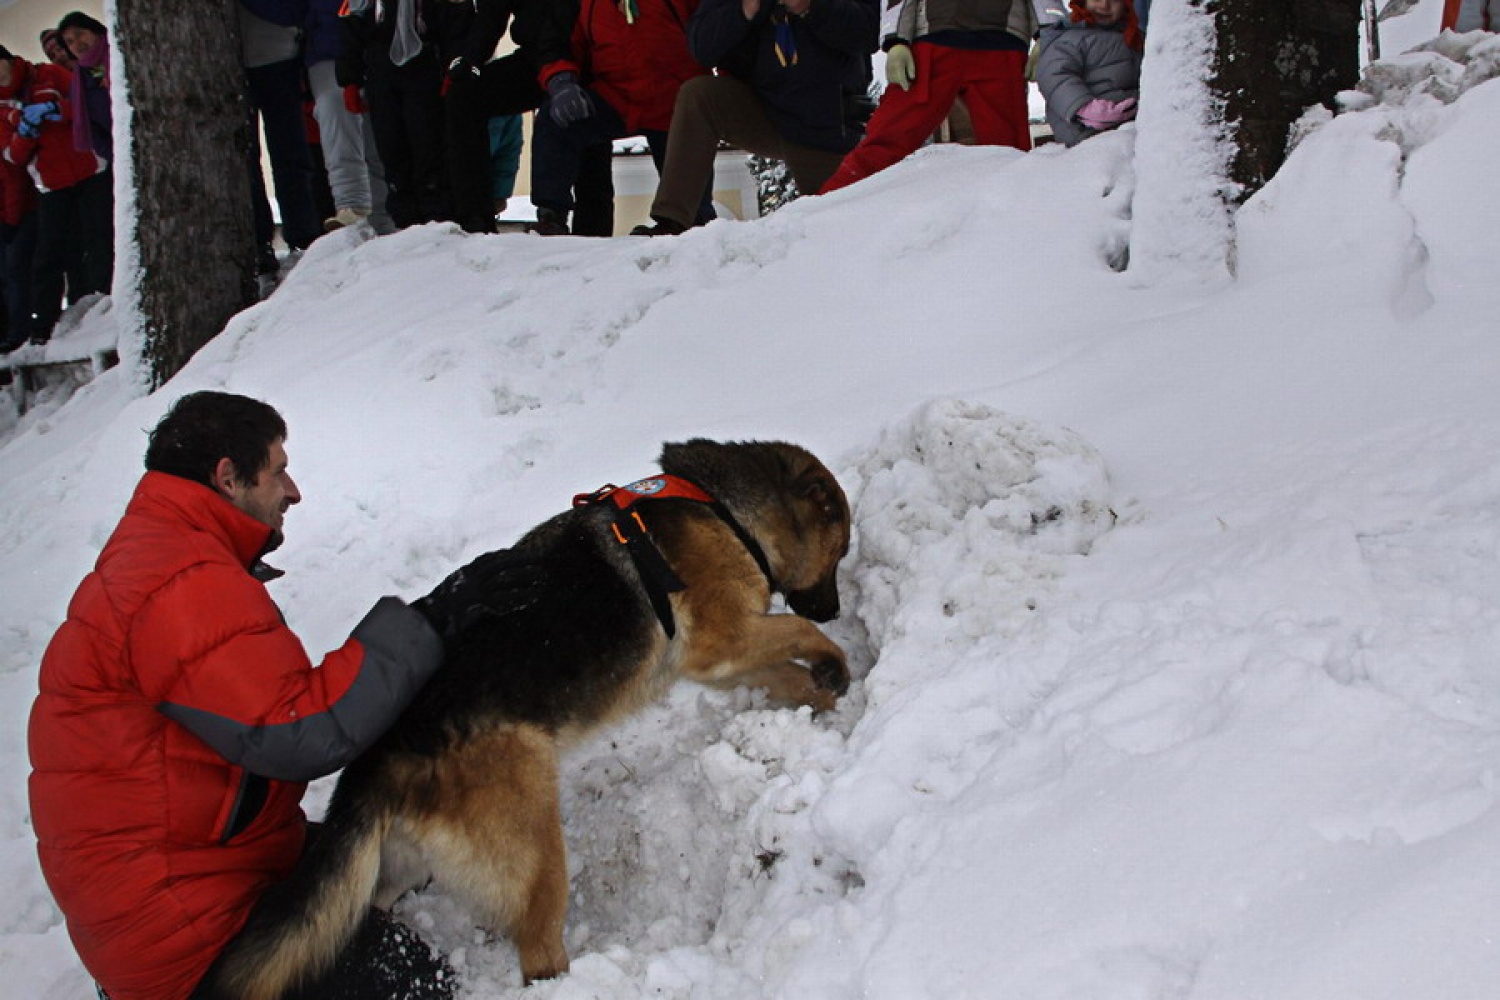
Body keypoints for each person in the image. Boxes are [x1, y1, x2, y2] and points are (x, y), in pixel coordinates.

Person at [27, 391, 523, 1000]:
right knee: (410, 981)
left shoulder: (164, 555)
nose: (293, 491)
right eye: (278, 470)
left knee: (394, 849)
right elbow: (298, 730)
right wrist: (431, 622)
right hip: (188, 936)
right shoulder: (177, 582)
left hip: (199, 876)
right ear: (228, 478)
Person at [629, 0, 880, 236]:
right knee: (700, 95)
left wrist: (812, 7)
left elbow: (867, 32)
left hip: (824, 121)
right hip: (763, 108)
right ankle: (672, 220)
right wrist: (744, 10)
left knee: (835, 229)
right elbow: (701, 46)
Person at [816, 0, 1037, 193]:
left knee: (1009, 151)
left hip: (1001, 43)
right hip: (935, 40)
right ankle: (824, 211)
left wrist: (1048, 32)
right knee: (888, 136)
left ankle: (1012, 221)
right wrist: (896, 40)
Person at [529, 0, 709, 236]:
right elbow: (559, 41)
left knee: (692, 196)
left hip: (675, 100)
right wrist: (560, 80)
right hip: (616, 96)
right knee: (556, 119)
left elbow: (715, 30)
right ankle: (551, 216)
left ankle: (681, 224)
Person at [441, 0, 617, 235]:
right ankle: (475, 220)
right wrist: (470, 60)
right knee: (464, 96)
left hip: (584, 56)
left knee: (586, 127)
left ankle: (589, 230)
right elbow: (492, 15)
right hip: (535, 57)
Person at [0, 44, 110, 345]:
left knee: (99, 236)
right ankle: (44, 323)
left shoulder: (46, 74)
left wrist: (55, 109)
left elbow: (86, 106)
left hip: (90, 168)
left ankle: (107, 301)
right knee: (50, 253)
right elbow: (12, 157)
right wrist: (25, 134)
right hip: (50, 183)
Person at [338, 0, 471, 229]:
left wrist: (454, 64)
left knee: (428, 143)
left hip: (427, 61)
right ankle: (404, 220)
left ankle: (436, 216)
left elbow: (458, 19)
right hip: (380, 63)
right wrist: (350, 78)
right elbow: (352, 21)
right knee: (391, 146)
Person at [306, 0, 394, 232]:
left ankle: (385, 214)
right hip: (329, 49)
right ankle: (352, 204)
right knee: (334, 108)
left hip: (384, 46)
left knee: (380, 129)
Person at [1034, 0, 1142, 148]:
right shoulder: (1070, 38)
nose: (1104, 5)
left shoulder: (1133, 37)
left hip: (1131, 129)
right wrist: (1084, 108)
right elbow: (1054, 75)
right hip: (1086, 133)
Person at [0, 47, 38, 353]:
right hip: (10, 209)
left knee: (17, 271)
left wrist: (11, 218)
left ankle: (19, 332)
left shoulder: (34, 85)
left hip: (22, 205)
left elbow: (11, 170)